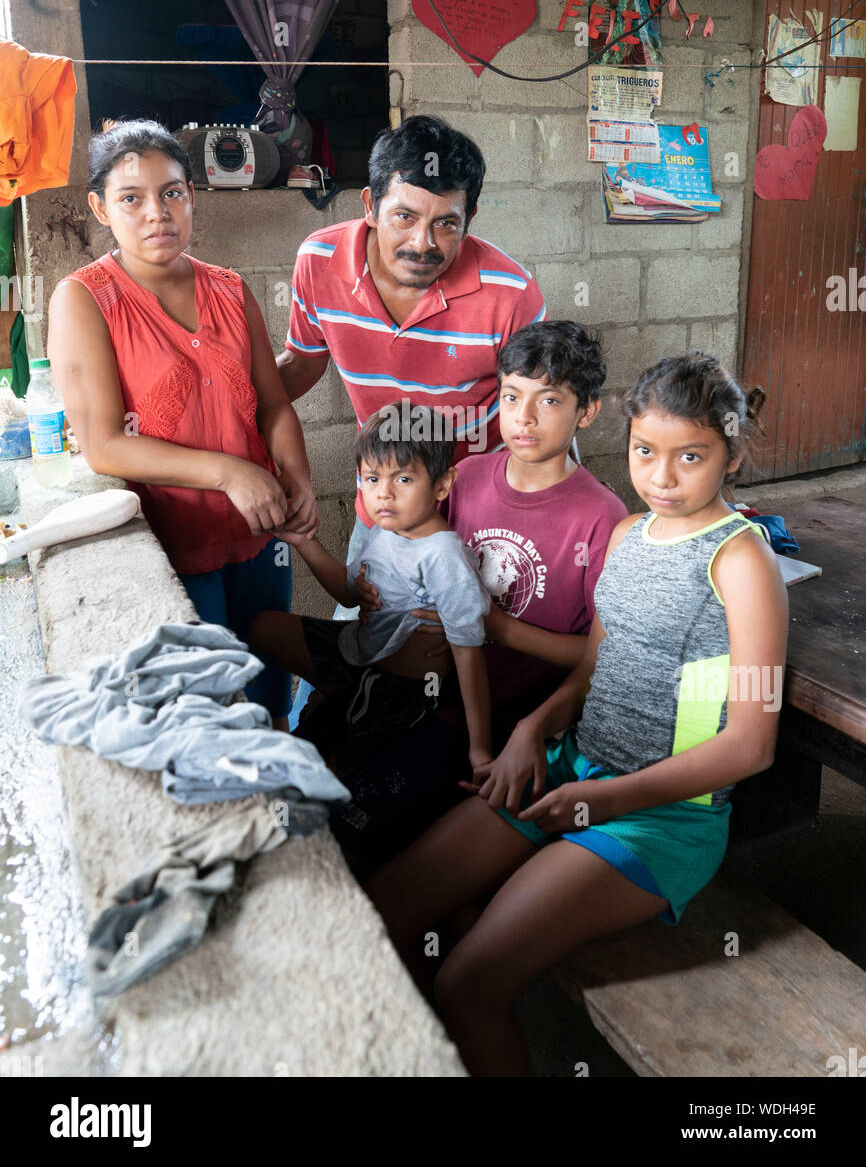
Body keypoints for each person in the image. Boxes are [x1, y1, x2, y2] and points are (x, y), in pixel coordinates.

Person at [366, 352, 788, 1077]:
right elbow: (594, 667)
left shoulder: (741, 562)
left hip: (665, 816)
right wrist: (533, 730)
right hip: (571, 771)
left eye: (691, 456)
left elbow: (751, 746)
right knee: (383, 911)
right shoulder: (626, 535)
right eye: (645, 452)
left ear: (733, 455)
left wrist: (602, 800)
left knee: (466, 983)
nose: (661, 476)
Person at [276, 114, 546, 724]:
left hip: (483, 520)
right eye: (405, 216)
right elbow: (297, 367)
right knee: (373, 657)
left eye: (446, 223)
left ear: (468, 221)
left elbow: (538, 418)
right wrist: (224, 419)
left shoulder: (509, 291)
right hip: (389, 507)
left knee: (465, 671)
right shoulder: (319, 261)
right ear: (370, 204)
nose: (423, 243)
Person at [47, 119, 317, 728]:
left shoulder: (230, 289)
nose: (156, 213)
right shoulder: (85, 299)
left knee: (270, 687)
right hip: (172, 543)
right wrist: (229, 472)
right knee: (213, 709)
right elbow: (103, 445)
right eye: (131, 198)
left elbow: (272, 404)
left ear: (192, 196)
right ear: (99, 207)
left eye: (171, 192)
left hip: (259, 535)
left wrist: (295, 476)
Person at [334, 321, 627, 867]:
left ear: (586, 412)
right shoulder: (466, 476)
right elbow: (406, 548)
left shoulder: (602, 519)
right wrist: (373, 588)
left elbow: (600, 660)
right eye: (512, 396)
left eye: (550, 400)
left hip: (506, 711)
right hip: (418, 683)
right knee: (327, 778)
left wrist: (502, 630)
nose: (525, 417)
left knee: (372, 831)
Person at [248, 407, 492, 786]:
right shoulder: (386, 530)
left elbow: (467, 653)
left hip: (402, 689)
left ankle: (344, 718)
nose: (384, 494)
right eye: (373, 478)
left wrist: (480, 748)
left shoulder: (442, 556)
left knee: (324, 777)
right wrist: (303, 542)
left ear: (442, 485)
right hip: (357, 653)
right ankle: (338, 700)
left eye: (404, 478)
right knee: (263, 627)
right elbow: (349, 595)